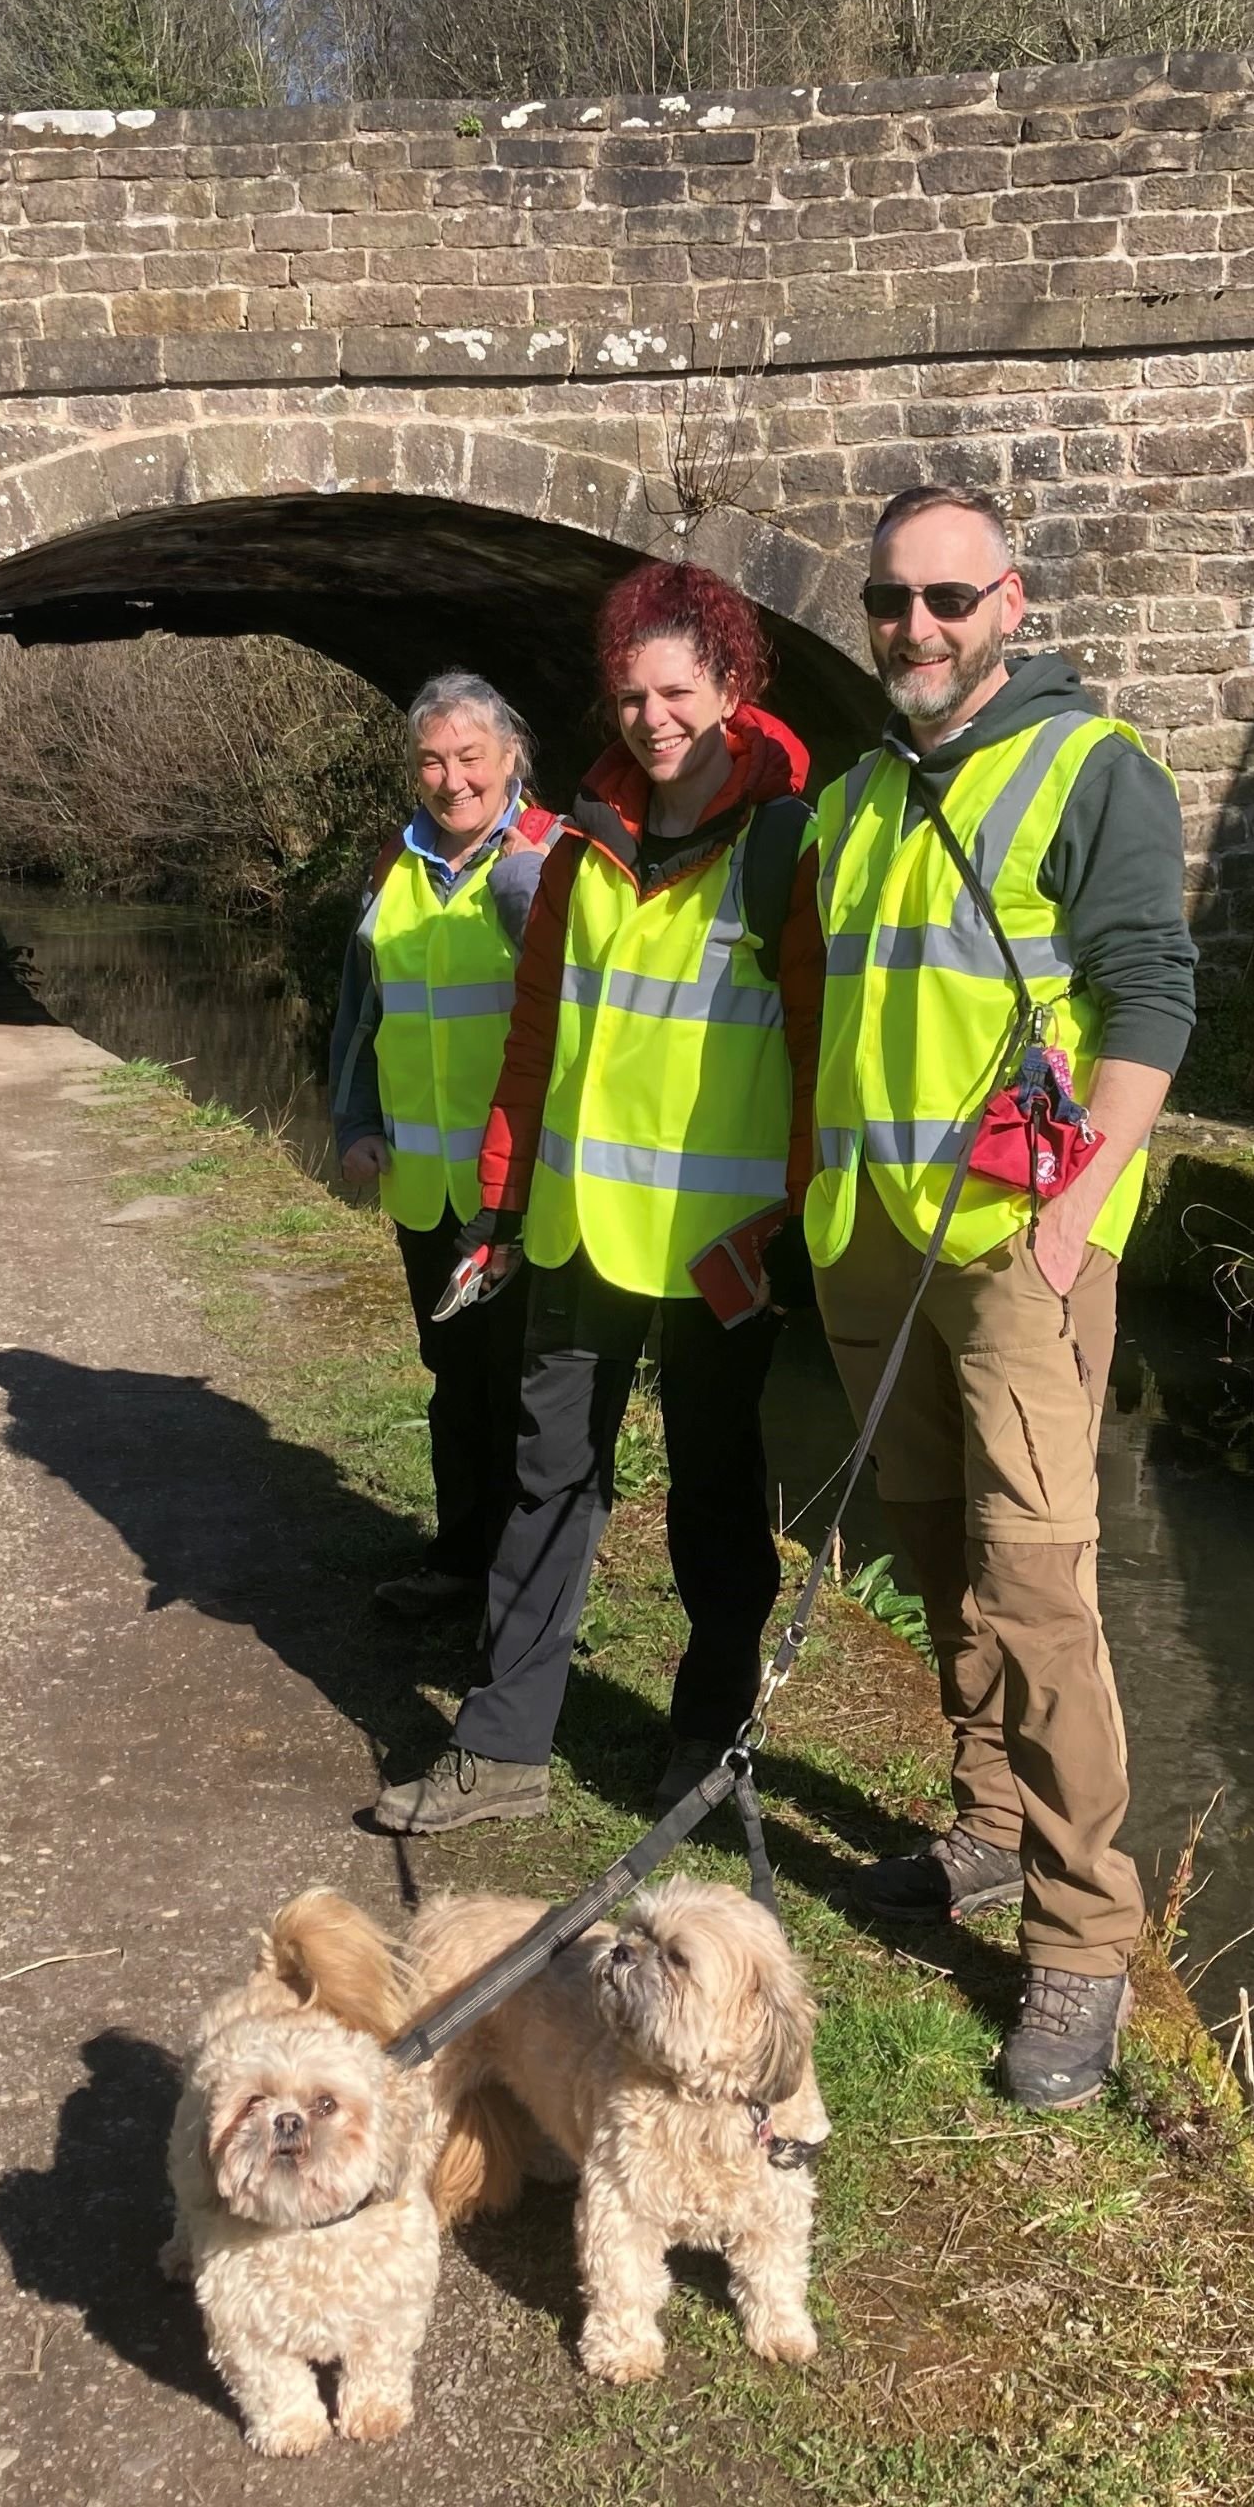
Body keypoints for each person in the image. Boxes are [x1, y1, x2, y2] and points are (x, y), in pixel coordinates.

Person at [808, 483, 1195, 2108]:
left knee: (1039, 1590)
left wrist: (1076, 1215)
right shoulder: (846, 804)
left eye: (949, 597)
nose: (918, 626)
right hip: (869, 1241)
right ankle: (978, 1825)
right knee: (931, 1548)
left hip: (1018, 1244)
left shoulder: (1092, 768)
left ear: (1011, 603)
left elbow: (1153, 991)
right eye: (893, 599)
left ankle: (1082, 1940)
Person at [371, 562, 822, 1834]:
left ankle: (706, 1746)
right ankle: (503, 1749)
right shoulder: (577, 851)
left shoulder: (785, 844)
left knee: (716, 1494)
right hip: (574, 1230)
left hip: (719, 1247)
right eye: (629, 695)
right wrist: (501, 1209)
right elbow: (535, 1045)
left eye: (676, 691)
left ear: (731, 688)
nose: (651, 718)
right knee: (545, 1478)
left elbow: (813, 1055)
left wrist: (788, 1221)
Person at [329, 673, 559, 1620]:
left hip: (525, 1192)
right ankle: (462, 1561)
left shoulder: (551, 859)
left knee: (524, 1394)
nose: (451, 777)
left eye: (470, 756)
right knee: (456, 1378)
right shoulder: (395, 865)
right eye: (432, 758)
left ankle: (524, 1596)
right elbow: (360, 1009)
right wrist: (354, 1123)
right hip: (426, 1189)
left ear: (511, 757)